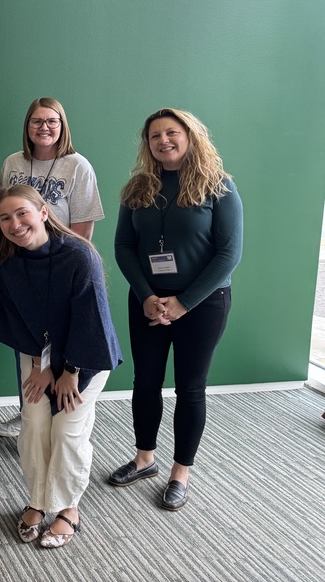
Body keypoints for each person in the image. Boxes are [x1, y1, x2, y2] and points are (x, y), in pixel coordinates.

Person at [109, 108, 242, 511]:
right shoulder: (138, 187)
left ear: (190, 136)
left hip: (203, 304)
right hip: (148, 300)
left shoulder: (219, 186)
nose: (163, 140)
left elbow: (229, 254)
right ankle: (144, 458)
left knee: (190, 387)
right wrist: (147, 295)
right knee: (145, 381)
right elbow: (123, 246)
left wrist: (184, 303)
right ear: (147, 144)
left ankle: (180, 472)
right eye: (154, 136)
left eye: (171, 132)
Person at [0, 185, 121, 548]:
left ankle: (67, 509)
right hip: (38, 361)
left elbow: (89, 321)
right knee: (34, 427)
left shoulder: (79, 255)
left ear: (43, 212)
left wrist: (69, 371)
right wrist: (40, 367)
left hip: (84, 361)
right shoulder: (8, 266)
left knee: (65, 432)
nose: (15, 224)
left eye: (22, 213)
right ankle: (36, 501)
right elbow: (19, 323)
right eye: (5, 218)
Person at [0, 98, 104, 438]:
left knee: (66, 334)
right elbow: (6, 213)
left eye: (51, 121)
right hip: (22, 266)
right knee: (28, 344)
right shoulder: (13, 162)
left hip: (62, 266)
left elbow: (83, 229)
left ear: (62, 125)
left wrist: (73, 265)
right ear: (26, 126)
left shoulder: (77, 166)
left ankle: (66, 407)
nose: (43, 127)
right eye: (36, 121)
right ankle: (29, 409)